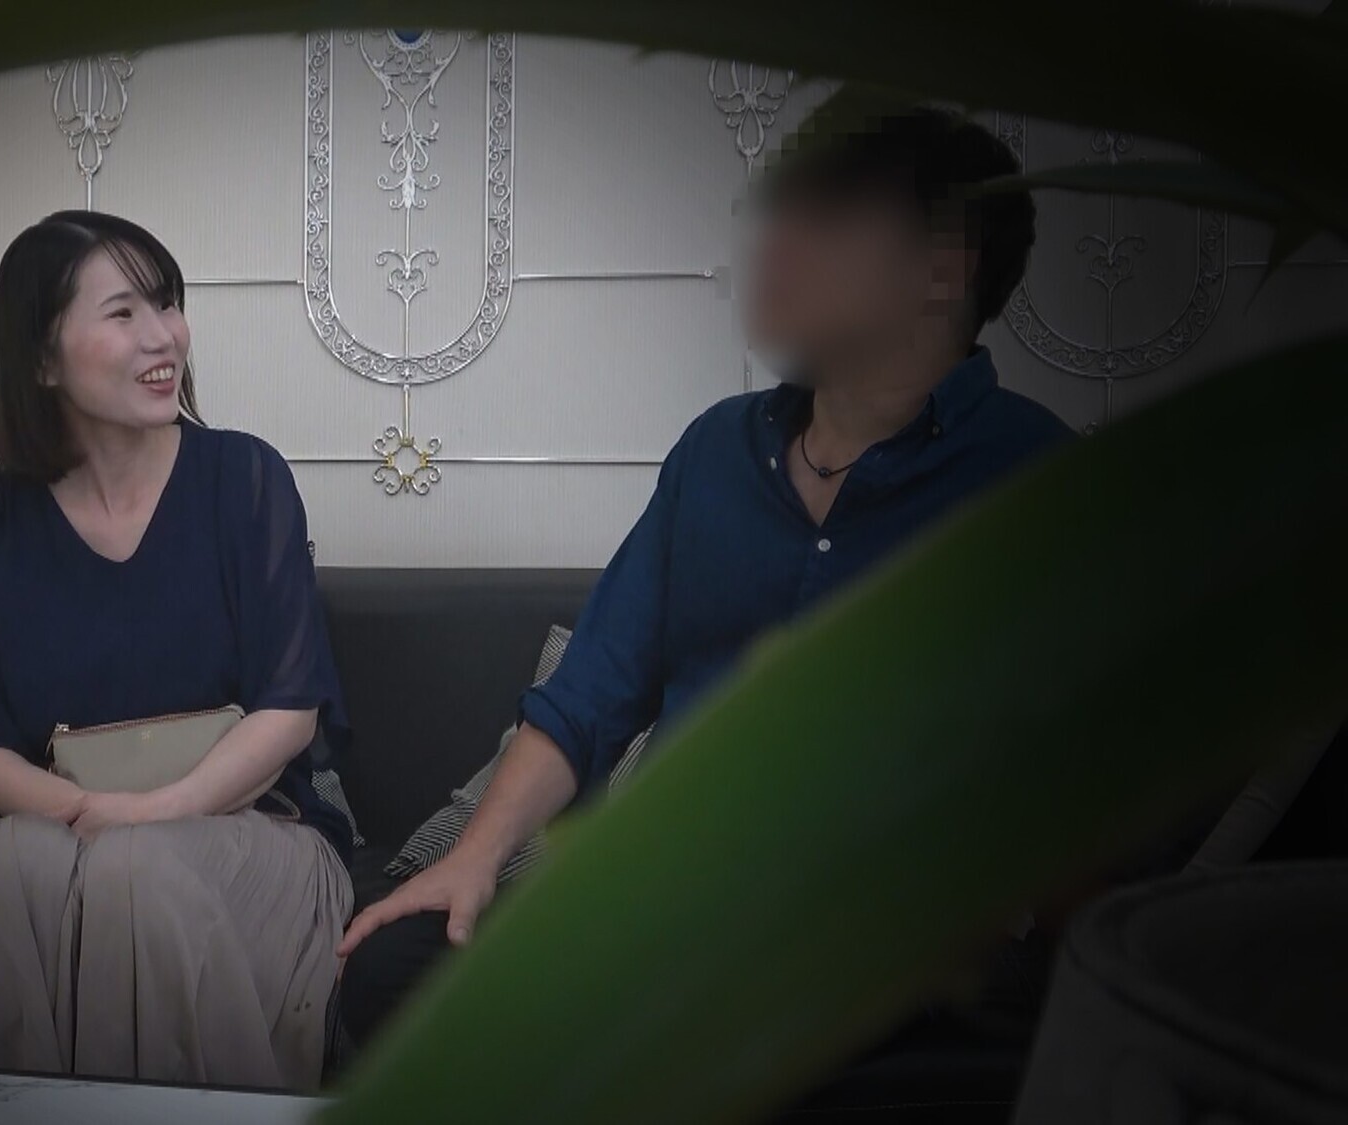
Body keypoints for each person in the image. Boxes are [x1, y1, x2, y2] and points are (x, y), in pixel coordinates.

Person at [335, 104, 1075, 1045]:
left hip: (884, 944)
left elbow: (1087, 763)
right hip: (666, 909)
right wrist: (472, 860)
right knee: (395, 970)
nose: (779, 245)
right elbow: (588, 694)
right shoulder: (717, 451)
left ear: (941, 270)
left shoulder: (1039, 479)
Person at [0, 210, 354, 1092]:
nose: (163, 336)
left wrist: (149, 815)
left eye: (166, 304)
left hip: (254, 833)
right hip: (70, 834)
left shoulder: (245, 479)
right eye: (124, 313)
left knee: (134, 873)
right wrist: (87, 813)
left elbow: (290, 710)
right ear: (43, 359)